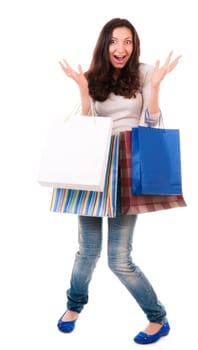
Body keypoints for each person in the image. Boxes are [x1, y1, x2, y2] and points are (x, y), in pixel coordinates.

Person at [57, 18, 181, 345]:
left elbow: (152, 123)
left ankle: (158, 318)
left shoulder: (143, 73)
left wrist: (156, 88)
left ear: (134, 45)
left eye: (127, 42)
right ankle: (74, 305)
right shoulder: (94, 77)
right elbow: (85, 125)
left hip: (128, 164)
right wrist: (83, 91)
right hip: (93, 165)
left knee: (119, 259)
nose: (120, 49)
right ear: (104, 44)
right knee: (87, 250)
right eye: (114, 41)